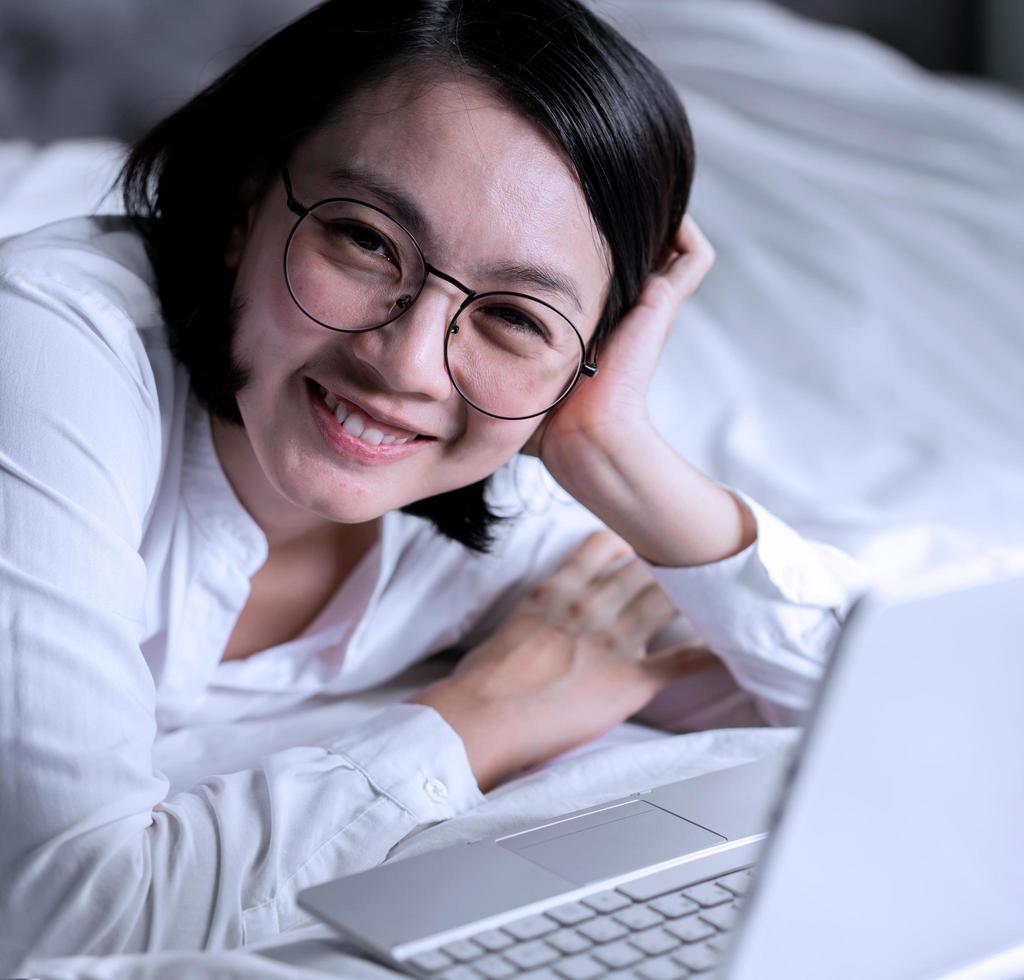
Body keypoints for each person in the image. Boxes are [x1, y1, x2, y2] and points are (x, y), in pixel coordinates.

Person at [0, 0, 869, 968]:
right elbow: (68, 919)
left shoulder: (507, 514)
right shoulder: (50, 347)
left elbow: (887, 726)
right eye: (366, 241)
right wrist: (484, 713)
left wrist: (616, 452)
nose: (408, 362)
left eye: (515, 317)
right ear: (250, 199)